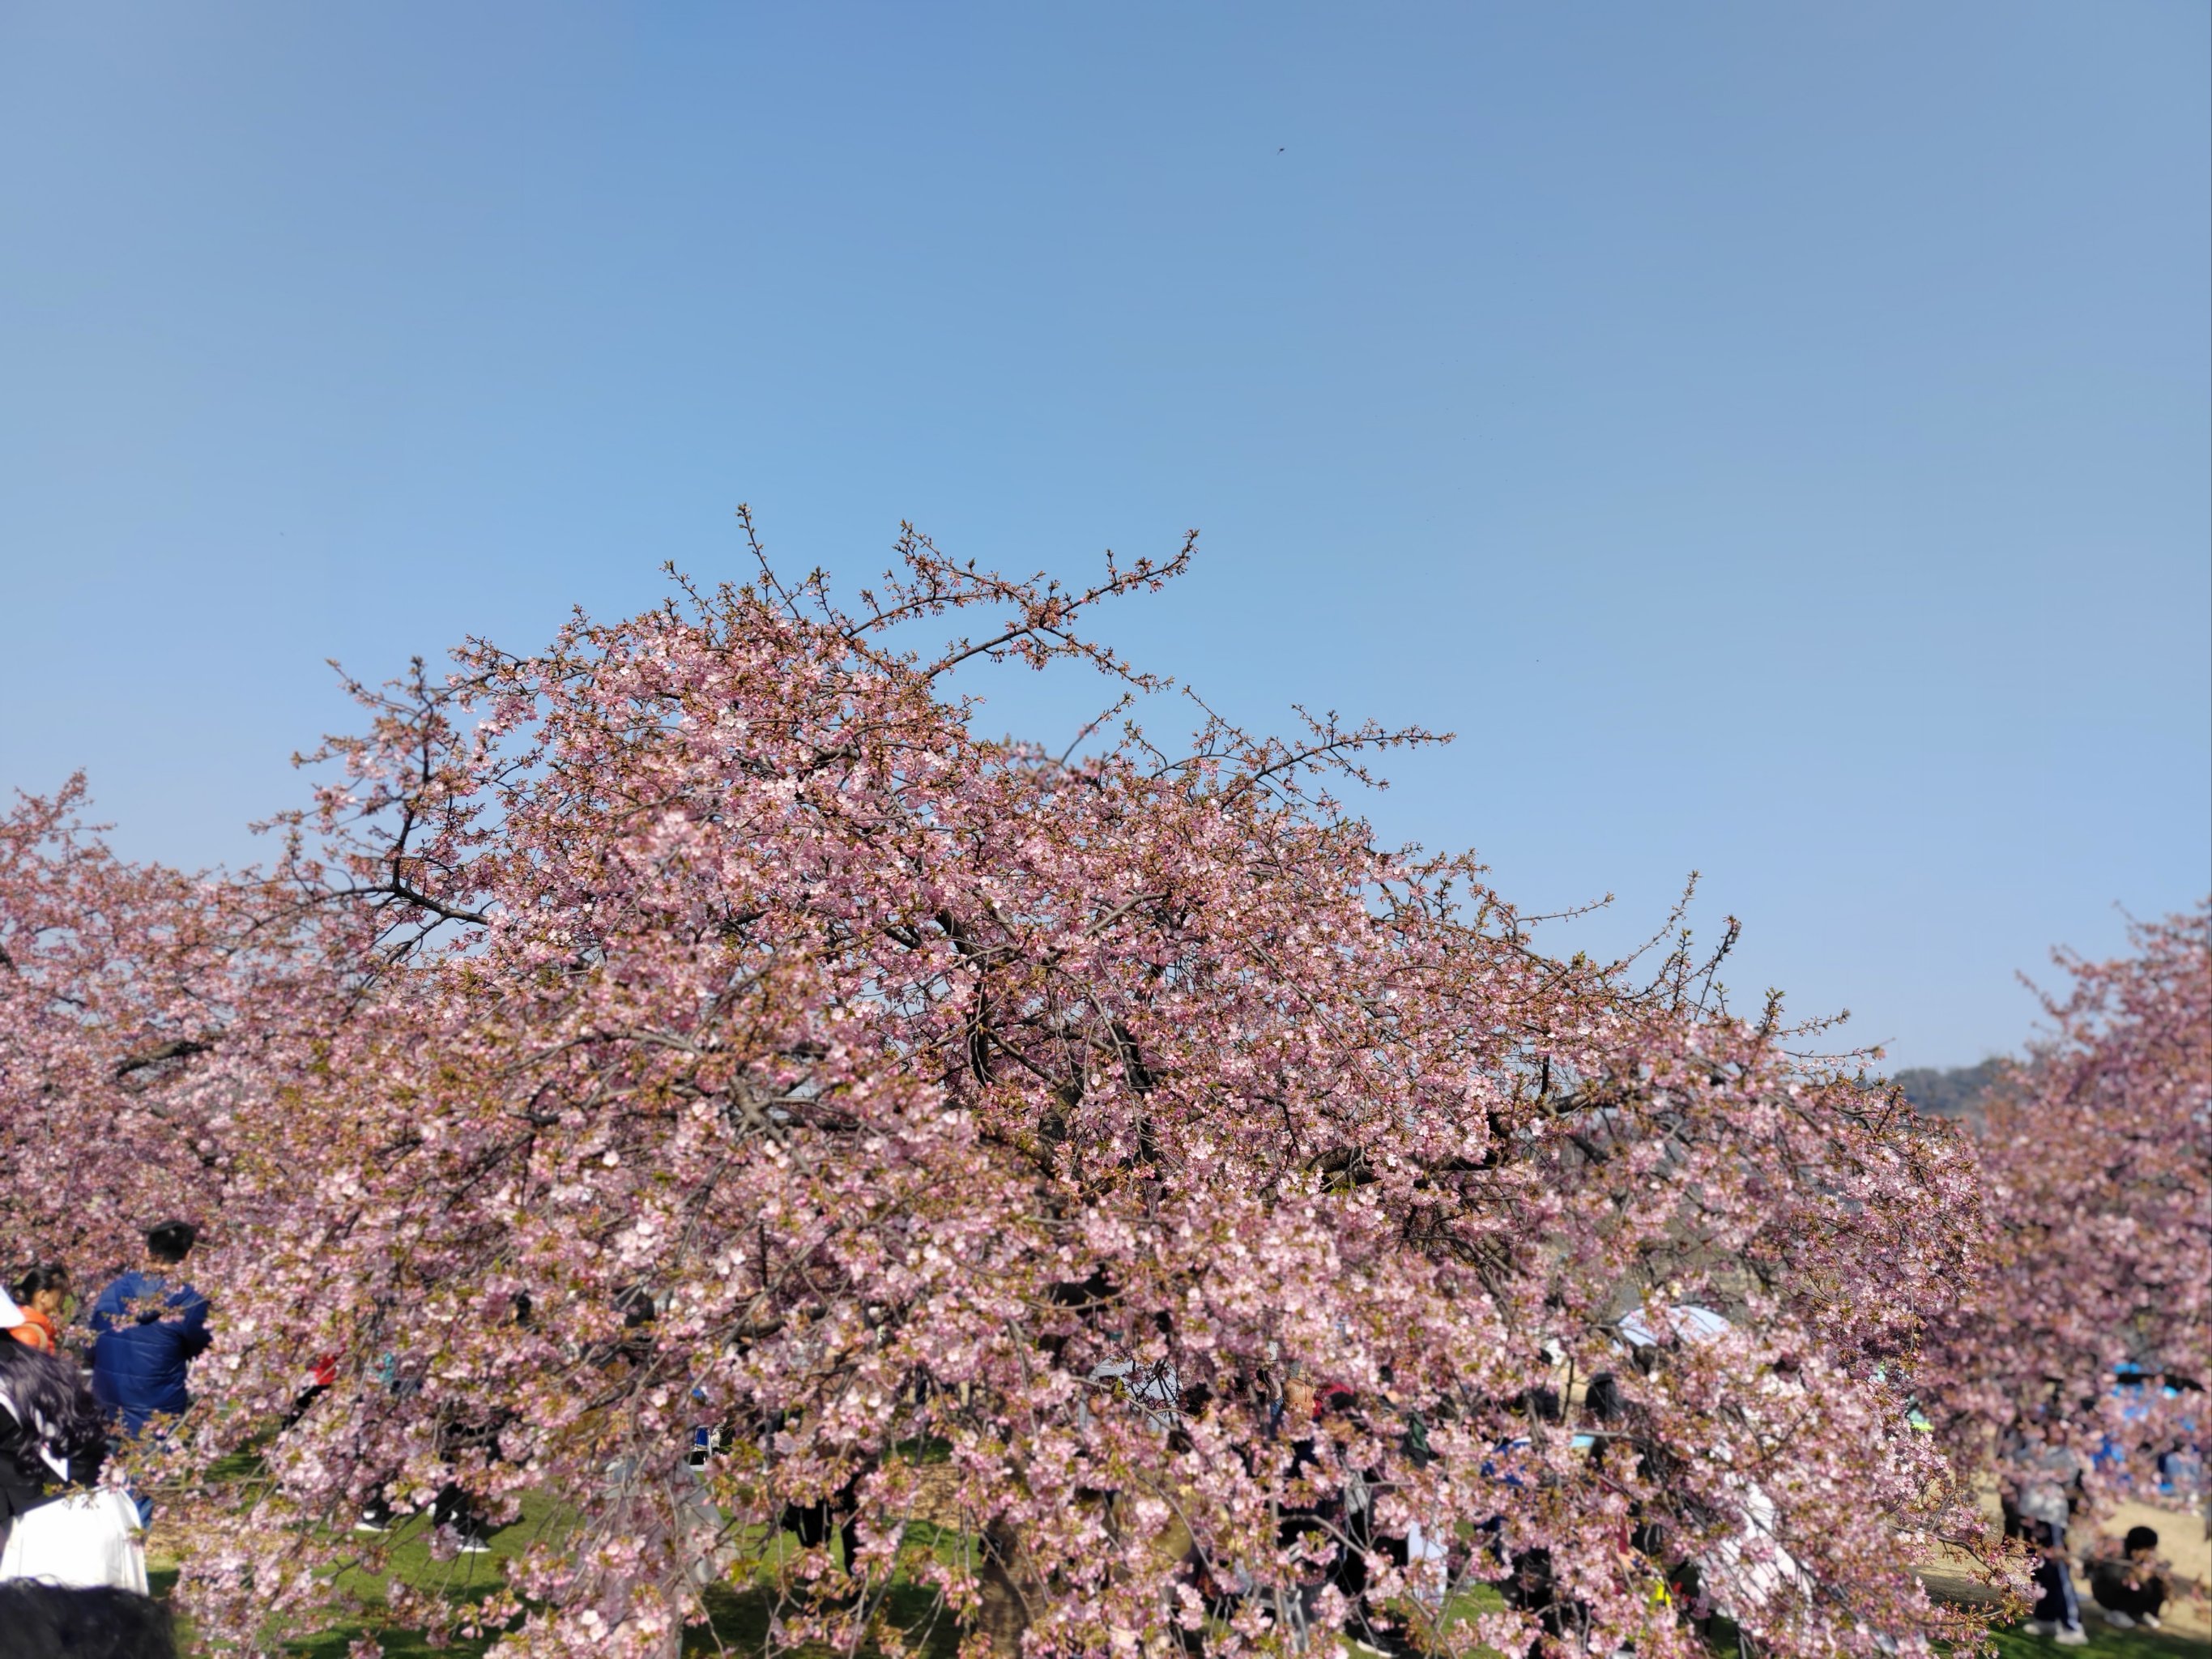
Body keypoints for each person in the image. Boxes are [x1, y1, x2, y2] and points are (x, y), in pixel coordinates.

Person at [87, 1222, 211, 1440]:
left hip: (108, 1407)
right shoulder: (191, 1300)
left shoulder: (114, 1289)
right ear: (189, 1255)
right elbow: (201, 1349)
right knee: (147, 1470)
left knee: (110, 1468)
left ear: (146, 1251)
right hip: (157, 1412)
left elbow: (90, 1347)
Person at [2087, 1525, 2168, 1630]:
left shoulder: (2144, 1556)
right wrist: (2136, 1574)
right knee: (2139, 1585)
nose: (2151, 1552)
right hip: (2106, 1590)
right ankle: (2118, 1612)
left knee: (2159, 1583)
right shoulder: (2117, 1551)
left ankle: (2139, 1612)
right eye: (2149, 1549)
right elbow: (2115, 1577)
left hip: (2124, 1587)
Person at [2022, 1520, 2087, 1646]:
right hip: (2031, 1512)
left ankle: (2072, 1626)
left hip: (2051, 1515)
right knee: (2038, 1569)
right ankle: (2045, 1619)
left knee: (2058, 1571)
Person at [9, 1266, 70, 1355]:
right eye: (61, 1295)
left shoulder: (36, 1329)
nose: (62, 1301)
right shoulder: (27, 1335)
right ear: (43, 1296)